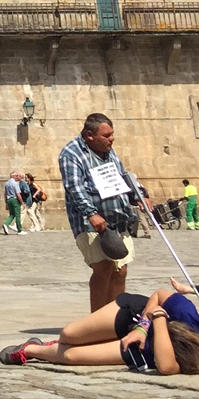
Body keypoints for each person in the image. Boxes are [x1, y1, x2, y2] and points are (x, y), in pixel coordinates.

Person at [0, 285, 199, 375]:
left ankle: (31, 349)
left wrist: (158, 321)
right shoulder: (186, 314)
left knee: (71, 356)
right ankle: (58, 343)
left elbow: (167, 367)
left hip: (137, 347)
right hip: (135, 314)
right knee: (68, 334)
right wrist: (144, 326)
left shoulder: (173, 359)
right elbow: (159, 294)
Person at [58, 112, 142, 312]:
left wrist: (138, 194)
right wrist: (91, 213)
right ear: (89, 135)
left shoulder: (110, 152)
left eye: (112, 134)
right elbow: (74, 187)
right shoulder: (71, 153)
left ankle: (115, 318)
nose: (112, 139)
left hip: (118, 219)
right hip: (90, 222)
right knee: (103, 267)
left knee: (120, 271)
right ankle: (97, 319)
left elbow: (122, 177)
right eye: (106, 135)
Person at [2, 170, 24, 236]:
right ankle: (19, 230)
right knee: (17, 215)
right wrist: (22, 202)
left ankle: (6, 224)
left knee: (12, 214)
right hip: (15, 200)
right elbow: (18, 194)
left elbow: (5, 194)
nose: (17, 177)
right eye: (16, 175)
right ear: (13, 176)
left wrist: (6, 202)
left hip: (9, 200)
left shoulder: (7, 183)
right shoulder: (15, 183)